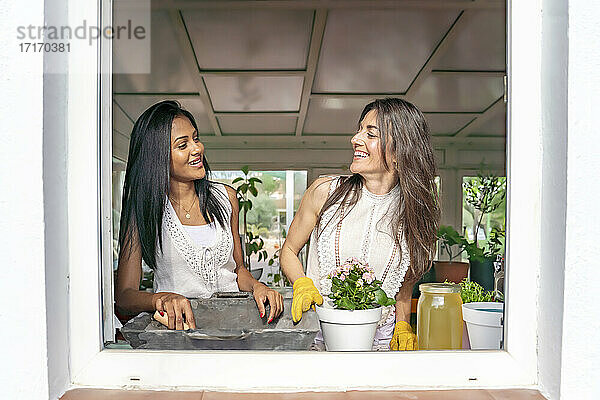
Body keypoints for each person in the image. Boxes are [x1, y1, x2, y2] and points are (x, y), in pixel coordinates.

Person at [281, 98, 440, 350]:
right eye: (359, 129)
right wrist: (302, 282)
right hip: (322, 334)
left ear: (400, 151)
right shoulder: (325, 192)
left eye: (371, 133)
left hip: (382, 342)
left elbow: (405, 280)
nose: (355, 139)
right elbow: (288, 250)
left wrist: (402, 324)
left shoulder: (415, 211)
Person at [115, 100, 283, 330]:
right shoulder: (144, 209)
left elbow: (238, 270)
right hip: (178, 335)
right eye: (182, 145)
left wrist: (257, 287)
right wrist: (160, 299)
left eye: (196, 138)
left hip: (235, 329)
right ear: (158, 156)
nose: (197, 149)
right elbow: (125, 296)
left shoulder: (226, 198)